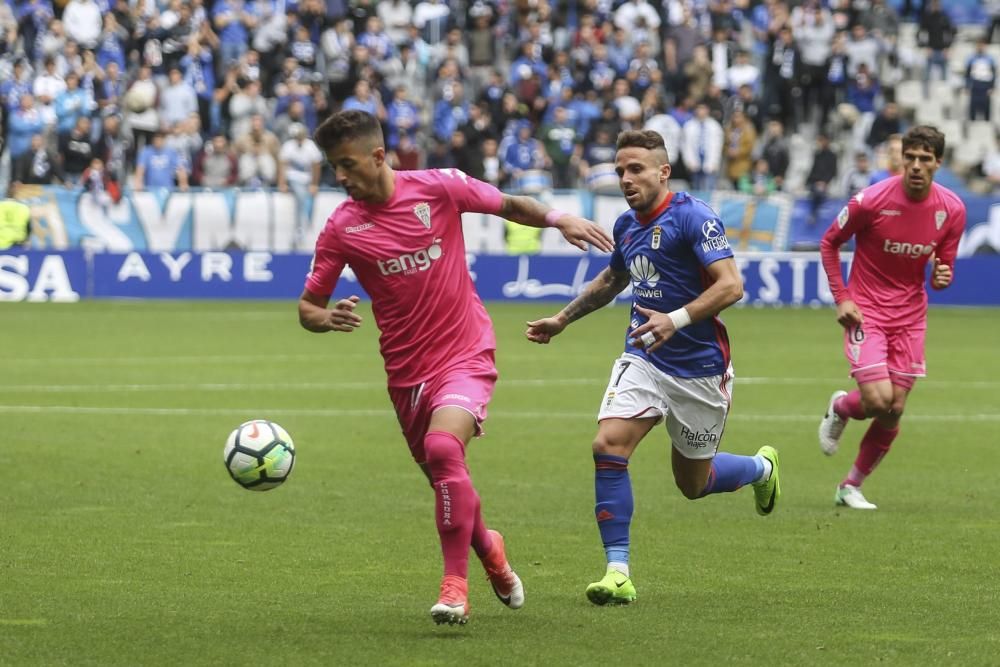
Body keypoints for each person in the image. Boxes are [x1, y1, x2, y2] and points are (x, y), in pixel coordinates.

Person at [298, 110, 614, 625]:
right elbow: (308, 305)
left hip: (466, 352)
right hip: (405, 374)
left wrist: (561, 219)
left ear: (379, 156)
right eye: (334, 167)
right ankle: (490, 550)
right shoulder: (342, 228)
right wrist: (323, 317)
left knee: (444, 448)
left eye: (347, 164)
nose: (340, 177)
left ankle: (454, 588)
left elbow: (508, 204)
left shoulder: (439, 188)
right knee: (447, 481)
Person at [524, 130, 781, 606]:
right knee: (608, 445)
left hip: (700, 368)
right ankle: (617, 571)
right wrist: (562, 319)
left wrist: (677, 319)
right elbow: (613, 279)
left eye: (636, 168)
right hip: (643, 356)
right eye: (620, 170)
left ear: (663, 172)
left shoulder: (694, 218)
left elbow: (731, 286)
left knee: (693, 484)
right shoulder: (627, 225)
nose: (625, 178)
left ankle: (761, 468)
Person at [817, 126, 966, 510]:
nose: (916, 166)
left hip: (911, 316)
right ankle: (842, 408)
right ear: (901, 158)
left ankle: (850, 485)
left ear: (938, 163)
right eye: (910, 157)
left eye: (925, 159)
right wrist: (842, 298)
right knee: (879, 399)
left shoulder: (952, 210)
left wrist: (942, 275)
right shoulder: (871, 200)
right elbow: (829, 242)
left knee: (894, 408)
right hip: (866, 312)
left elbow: (943, 271)